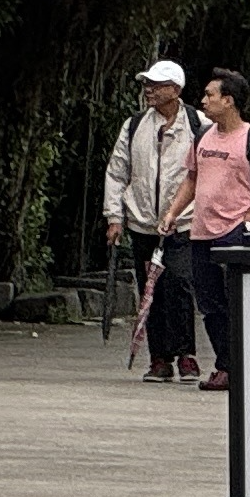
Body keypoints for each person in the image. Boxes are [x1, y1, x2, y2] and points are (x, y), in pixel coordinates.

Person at [173, 69, 250, 394]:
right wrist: (173, 212)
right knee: (210, 306)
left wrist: (247, 222)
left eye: (210, 95)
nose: (203, 101)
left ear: (228, 101)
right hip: (202, 233)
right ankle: (225, 366)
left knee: (238, 303)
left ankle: (245, 366)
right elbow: (191, 179)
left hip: (235, 234)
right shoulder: (203, 137)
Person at [101, 59, 202, 382]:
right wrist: (114, 217)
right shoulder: (134, 126)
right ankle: (159, 358)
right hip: (143, 221)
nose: (149, 90)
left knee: (180, 284)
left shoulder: (199, 125)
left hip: (184, 222)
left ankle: (186, 354)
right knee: (151, 290)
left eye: (157, 85)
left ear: (175, 90)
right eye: (147, 85)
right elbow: (117, 172)